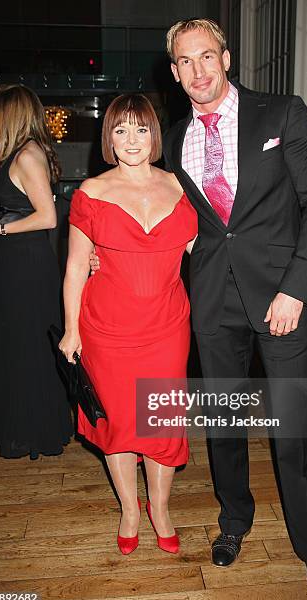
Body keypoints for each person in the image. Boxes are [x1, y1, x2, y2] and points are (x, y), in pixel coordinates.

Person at [161, 19, 307, 597]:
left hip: (281, 298)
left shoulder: (282, 112)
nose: (198, 71)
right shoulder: (172, 136)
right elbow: (173, 218)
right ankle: (234, 521)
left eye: (206, 57)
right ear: (174, 71)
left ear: (227, 58)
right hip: (213, 302)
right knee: (226, 425)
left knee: (293, 431)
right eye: (185, 62)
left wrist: (296, 290)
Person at [59, 93, 197, 555]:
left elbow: (210, 251)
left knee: (158, 422)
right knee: (119, 425)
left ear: (154, 134)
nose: (131, 140)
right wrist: (71, 329)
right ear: (109, 138)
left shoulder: (180, 186)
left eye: (140, 129)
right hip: (106, 330)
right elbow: (77, 266)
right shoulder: (91, 192)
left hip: (167, 326)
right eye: (121, 130)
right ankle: (129, 509)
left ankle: (160, 508)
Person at [0, 84, 73, 458]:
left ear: (12, 115)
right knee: (14, 345)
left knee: (20, 345)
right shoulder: (23, 154)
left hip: (27, 267)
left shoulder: (27, 156)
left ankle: (22, 428)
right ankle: (5, 424)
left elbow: (47, 217)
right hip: (20, 263)